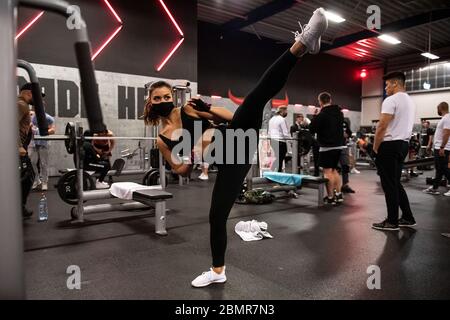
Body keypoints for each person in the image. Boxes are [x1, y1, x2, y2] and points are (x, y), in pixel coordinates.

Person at [143, 8, 328, 287]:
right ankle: (218, 271)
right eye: (159, 97)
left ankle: (301, 44)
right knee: (216, 217)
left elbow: (233, 118)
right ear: (151, 102)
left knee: (257, 96)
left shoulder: (189, 110)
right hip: (231, 159)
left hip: (235, 137)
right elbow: (180, 170)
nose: (165, 100)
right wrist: (192, 155)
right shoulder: (162, 139)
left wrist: (208, 110)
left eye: (168, 95)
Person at [372, 71, 416, 231]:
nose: (386, 88)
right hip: (403, 144)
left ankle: (392, 221)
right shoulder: (410, 101)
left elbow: (382, 125)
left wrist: (376, 147)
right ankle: (408, 217)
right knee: (395, 183)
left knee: (389, 185)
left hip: (390, 145)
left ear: (396, 83)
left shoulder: (391, 100)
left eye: (387, 84)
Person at [309, 92, 345, 205]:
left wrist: (315, 115)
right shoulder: (339, 113)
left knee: (327, 172)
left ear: (320, 102)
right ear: (330, 100)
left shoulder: (322, 114)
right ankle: (338, 195)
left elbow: (312, 128)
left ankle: (330, 197)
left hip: (327, 146)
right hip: (339, 145)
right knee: (334, 170)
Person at [422, 102, 450, 196]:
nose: (437, 110)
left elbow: (446, 133)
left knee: (444, 168)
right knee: (439, 169)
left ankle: (435, 188)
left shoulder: (447, 118)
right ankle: (434, 188)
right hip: (439, 147)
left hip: (443, 148)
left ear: (440, 108)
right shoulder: (445, 118)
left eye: (437, 108)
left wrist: (442, 147)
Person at [18, 83, 35, 219]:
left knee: (25, 176)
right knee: (28, 176)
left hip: (19, 147)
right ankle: (19, 207)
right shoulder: (21, 104)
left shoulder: (21, 105)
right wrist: (18, 146)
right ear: (29, 93)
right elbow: (8, 124)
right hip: (17, 149)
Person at [29, 103, 56, 191]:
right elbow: (30, 127)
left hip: (44, 143)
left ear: (43, 108)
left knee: (43, 164)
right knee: (32, 162)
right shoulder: (32, 117)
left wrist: (42, 131)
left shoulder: (48, 118)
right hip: (34, 142)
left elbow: (53, 130)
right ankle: (37, 180)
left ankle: (44, 182)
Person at [268, 105, 290, 172]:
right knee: (280, 159)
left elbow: (269, 131)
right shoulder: (282, 119)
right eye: (286, 111)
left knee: (276, 158)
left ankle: (272, 171)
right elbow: (285, 133)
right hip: (280, 141)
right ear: (282, 111)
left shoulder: (271, 119)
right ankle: (278, 172)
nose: (286, 112)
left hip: (273, 141)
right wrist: (292, 141)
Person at [340, 119, 355, 193]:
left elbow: (349, 132)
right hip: (333, 148)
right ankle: (334, 188)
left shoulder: (344, 122)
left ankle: (345, 185)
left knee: (345, 167)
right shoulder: (331, 121)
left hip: (343, 147)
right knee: (334, 169)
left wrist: (347, 135)